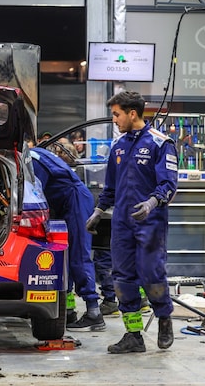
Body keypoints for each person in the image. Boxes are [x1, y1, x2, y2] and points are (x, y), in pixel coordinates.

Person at [86, 91, 178, 354]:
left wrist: (152, 202)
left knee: (151, 274)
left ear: (132, 113)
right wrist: (99, 209)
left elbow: (169, 184)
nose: (114, 120)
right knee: (123, 278)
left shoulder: (161, 144)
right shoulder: (119, 146)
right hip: (122, 223)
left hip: (150, 223)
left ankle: (164, 319)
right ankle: (133, 335)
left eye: (116, 114)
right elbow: (111, 187)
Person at [29, 146, 104, 331]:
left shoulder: (33, 160)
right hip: (64, 204)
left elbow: (35, 194)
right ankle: (69, 311)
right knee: (64, 256)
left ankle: (94, 312)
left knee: (79, 255)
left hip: (75, 200)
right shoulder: (33, 155)